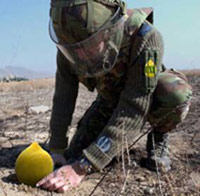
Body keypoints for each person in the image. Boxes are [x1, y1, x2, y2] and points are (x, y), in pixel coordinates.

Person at [36, 0, 192, 193]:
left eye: (91, 43)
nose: (82, 54)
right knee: (74, 154)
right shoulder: (73, 44)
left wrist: (84, 166)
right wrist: (57, 148)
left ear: (111, 27)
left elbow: (135, 106)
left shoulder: (145, 37)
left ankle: (159, 136)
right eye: (76, 48)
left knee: (174, 93)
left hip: (146, 97)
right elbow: (63, 96)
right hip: (108, 101)